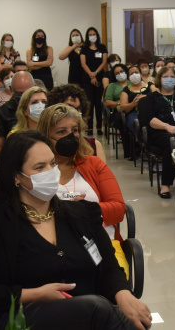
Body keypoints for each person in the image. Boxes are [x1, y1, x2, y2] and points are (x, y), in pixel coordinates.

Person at [0, 131, 151, 330]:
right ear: (16, 176)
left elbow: (108, 267)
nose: (51, 171)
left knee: (119, 313)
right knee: (98, 309)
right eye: (40, 167)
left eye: (52, 163)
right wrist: (33, 294)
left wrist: (122, 293)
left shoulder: (80, 214)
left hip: (86, 321)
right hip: (20, 319)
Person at [38, 105, 127, 248]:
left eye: (74, 130)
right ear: (45, 136)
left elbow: (118, 210)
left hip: (100, 244)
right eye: (62, 131)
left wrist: (81, 210)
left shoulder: (94, 164)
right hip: (55, 246)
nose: (71, 136)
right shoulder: (36, 171)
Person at [138, 66, 175, 201]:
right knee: (171, 144)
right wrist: (166, 126)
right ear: (159, 79)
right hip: (159, 133)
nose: (169, 80)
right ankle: (166, 184)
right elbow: (149, 119)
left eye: (172, 77)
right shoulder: (151, 98)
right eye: (166, 77)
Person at [48, 84, 106, 162]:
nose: (75, 112)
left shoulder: (94, 146)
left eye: (79, 108)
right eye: (70, 107)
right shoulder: (45, 148)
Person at [0, 71, 34, 158]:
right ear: (11, 89)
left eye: (27, 93)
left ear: (35, 87)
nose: (24, 97)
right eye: (20, 94)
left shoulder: (44, 108)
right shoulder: (1, 113)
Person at [80, 27, 108, 134]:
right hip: (87, 78)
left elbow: (104, 61)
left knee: (98, 102)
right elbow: (83, 63)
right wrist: (91, 75)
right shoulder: (84, 48)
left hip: (100, 77)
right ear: (87, 36)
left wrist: (95, 73)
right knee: (90, 102)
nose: (92, 36)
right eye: (90, 34)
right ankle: (90, 127)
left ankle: (100, 127)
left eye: (94, 34)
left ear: (97, 35)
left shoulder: (102, 47)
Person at [118, 65, 148, 151]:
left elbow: (157, 97)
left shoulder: (150, 85)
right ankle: (142, 142)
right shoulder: (126, 90)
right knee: (136, 123)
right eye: (131, 74)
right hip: (134, 113)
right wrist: (133, 104)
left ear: (140, 74)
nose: (134, 75)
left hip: (150, 112)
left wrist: (145, 97)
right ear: (128, 77)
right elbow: (122, 107)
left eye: (136, 72)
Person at [104, 64, 130, 158]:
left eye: (122, 72)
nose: (120, 74)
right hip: (119, 111)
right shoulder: (112, 86)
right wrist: (119, 104)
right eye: (117, 73)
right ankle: (128, 150)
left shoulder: (132, 83)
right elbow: (107, 102)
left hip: (132, 108)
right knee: (122, 121)